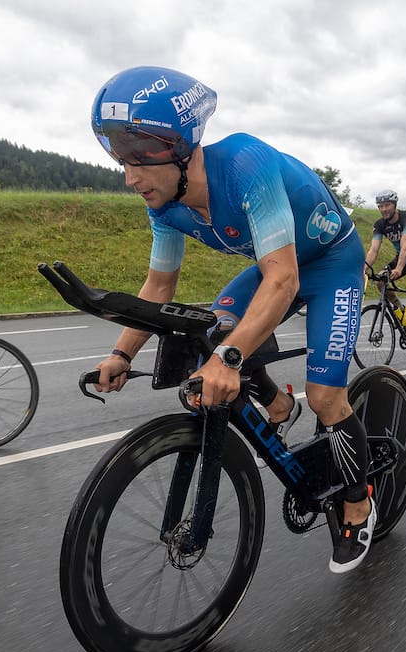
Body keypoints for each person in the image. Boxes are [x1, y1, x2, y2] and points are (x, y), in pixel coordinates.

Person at [87, 67, 375, 573]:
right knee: (213, 331)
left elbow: (282, 280)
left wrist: (230, 358)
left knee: (326, 395)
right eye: (119, 160)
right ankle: (277, 401)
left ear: (180, 147)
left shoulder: (247, 164)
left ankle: (358, 501)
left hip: (330, 263)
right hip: (277, 263)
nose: (130, 178)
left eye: (139, 159)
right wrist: (121, 353)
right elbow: (158, 287)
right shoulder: (166, 205)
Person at [365, 190, 406, 358]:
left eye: (387, 205)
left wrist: (399, 269)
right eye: (380, 206)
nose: (384, 209)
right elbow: (374, 249)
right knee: (381, 282)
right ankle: (402, 312)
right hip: (400, 257)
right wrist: (364, 268)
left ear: (395, 205)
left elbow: (405, 246)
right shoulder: (380, 224)